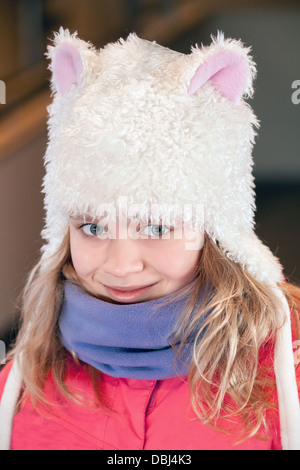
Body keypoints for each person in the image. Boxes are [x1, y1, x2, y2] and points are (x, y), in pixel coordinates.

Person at [0, 28, 300, 451]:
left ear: (217, 232)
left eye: (157, 228)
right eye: (93, 228)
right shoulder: (24, 381)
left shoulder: (284, 376)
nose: (121, 266)